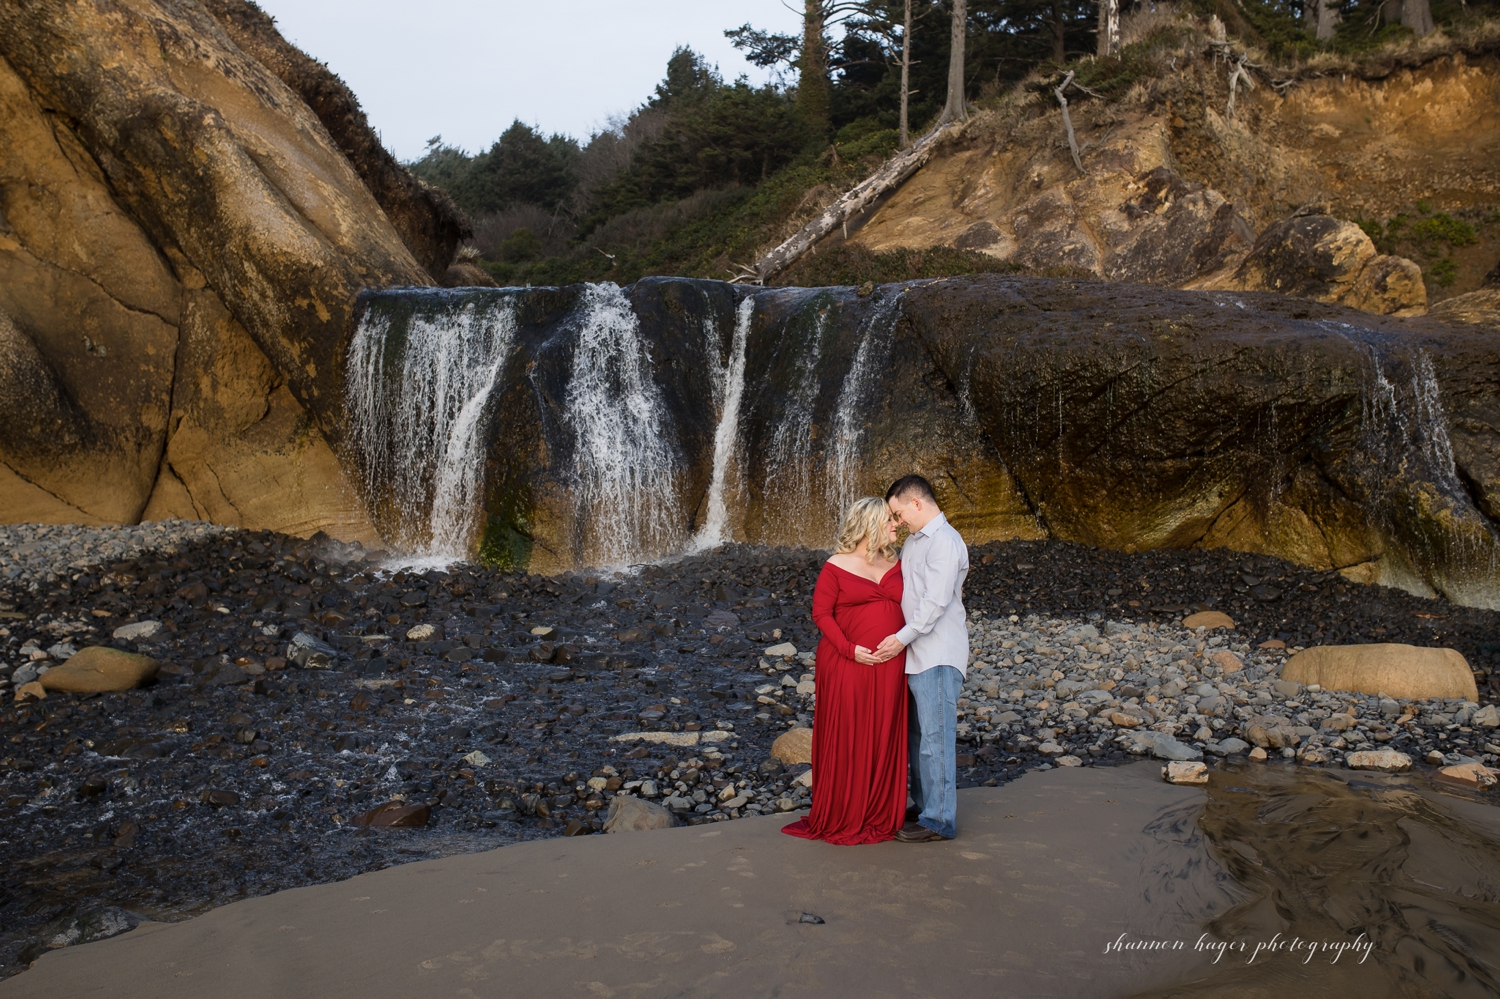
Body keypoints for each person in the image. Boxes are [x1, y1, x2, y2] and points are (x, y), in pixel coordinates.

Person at [782, 497, 909, 845]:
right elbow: (821, 614)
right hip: (847, 662)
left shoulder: (898, 562)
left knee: (883, 732)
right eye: (889, 521)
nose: (896, 525)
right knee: (849, 732)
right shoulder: (836, 565)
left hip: (891, 662)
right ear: (869, 524)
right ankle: (845, 809)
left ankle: (879, 810)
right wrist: (850, 650)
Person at [874, 474, 970, 843]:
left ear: (916, 502)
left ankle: (939, 820)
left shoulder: (945, 541)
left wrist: (898, 640)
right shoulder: (916, 543)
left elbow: (934, 604)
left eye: (898, 513)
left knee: (935, 738)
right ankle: (923, 803)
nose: (897, 522)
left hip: (938, 654)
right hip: (915, 655)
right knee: (915, 737)